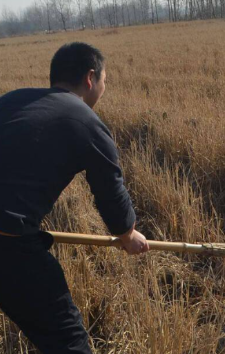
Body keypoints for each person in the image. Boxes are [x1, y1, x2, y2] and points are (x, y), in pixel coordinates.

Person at [0, 42, 149, 353]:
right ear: (90, 78)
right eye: (105, 81)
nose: (104, 88)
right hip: (8, 243)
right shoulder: (86, 122)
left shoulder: (12, 100)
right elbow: (111, 192)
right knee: (68, 342)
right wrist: (127, 234)